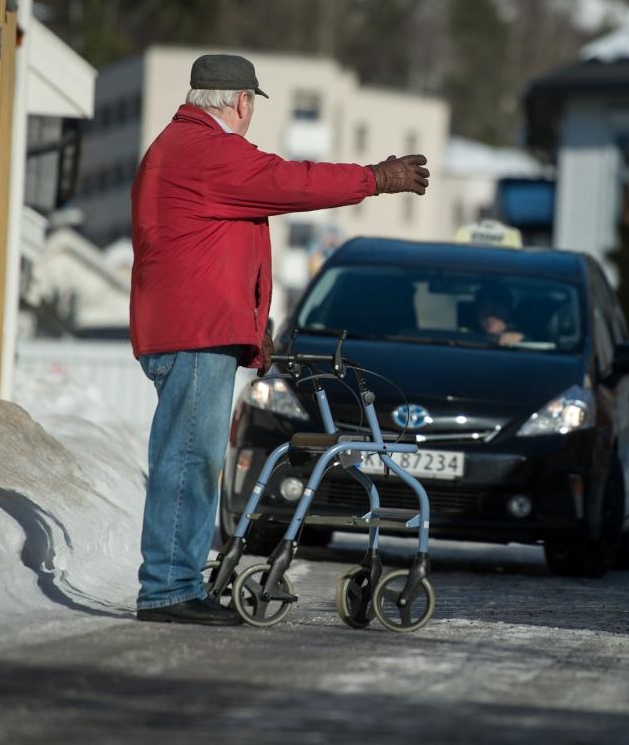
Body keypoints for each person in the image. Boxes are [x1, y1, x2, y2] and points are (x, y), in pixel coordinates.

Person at [129, 54, 429, 625]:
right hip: (195, 333)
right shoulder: (209, 151)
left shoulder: (178, 148)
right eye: (251, 106)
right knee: (189, 459)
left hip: (191, 326)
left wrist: (250, 319)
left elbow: (207, 248)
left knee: (189, 455)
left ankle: (176, 580)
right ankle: (169, 587)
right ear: (241, 102)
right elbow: (291, 182)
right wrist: (377, 178)